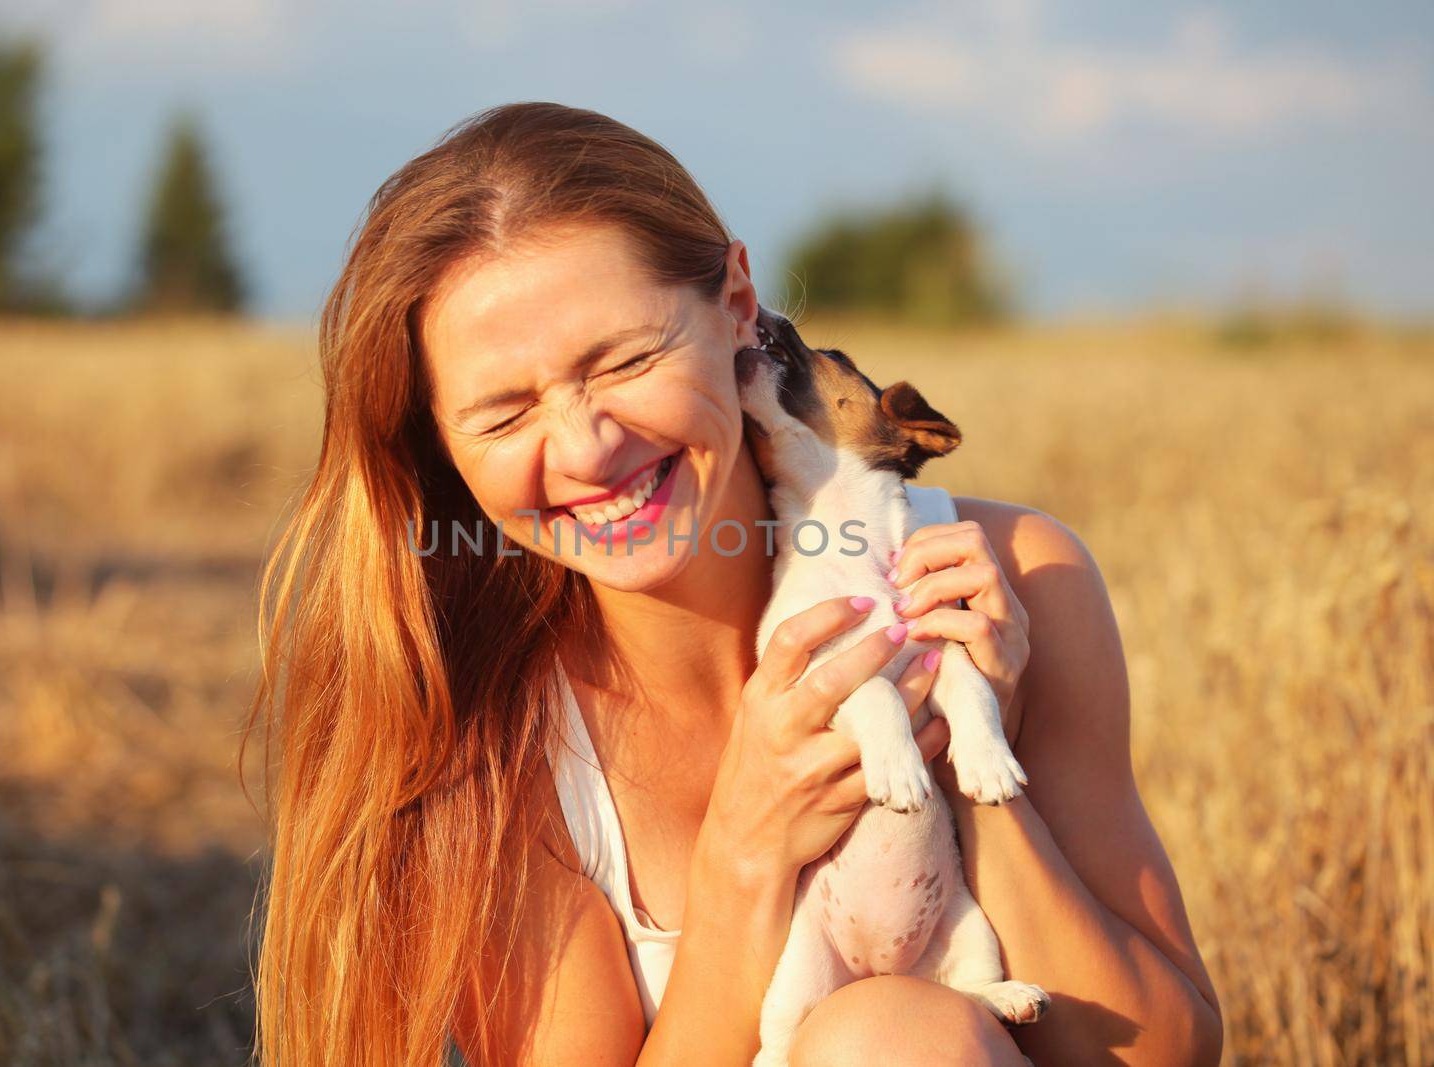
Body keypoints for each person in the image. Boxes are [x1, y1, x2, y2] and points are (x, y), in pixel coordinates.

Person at [242, 101, 1223, 1067]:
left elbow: (1163, 1048)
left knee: (892, 1038)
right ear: (444, 451)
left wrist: (966, 756)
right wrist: (743, 855)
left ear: (737, 304)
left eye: (626, 358)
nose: (589, 448)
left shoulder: (1014, 576)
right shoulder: (482, 743)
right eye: (503, 416)